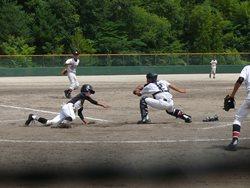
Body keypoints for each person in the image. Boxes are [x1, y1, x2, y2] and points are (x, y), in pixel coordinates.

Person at [25, 84, 109, 128]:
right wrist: (102, 105)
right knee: (72, 117)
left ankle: (33, 116)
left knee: (50, 122)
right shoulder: (82, 94)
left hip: (66, 109)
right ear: (85, 90)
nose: (90, 93)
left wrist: (84, 121)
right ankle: (62, 124)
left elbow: (80, 112)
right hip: (69, 106)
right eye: (89, 91)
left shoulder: (82, 101)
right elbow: (93, 101)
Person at [225, 65, 250, 151]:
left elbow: (240, 80)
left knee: (238, 119)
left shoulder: (247, 68)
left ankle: (234, 141)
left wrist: (232, 95)